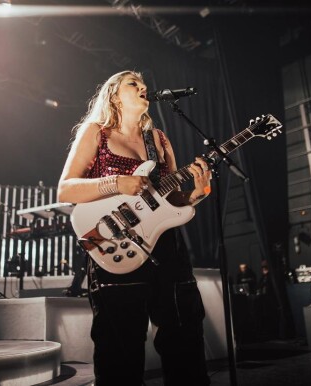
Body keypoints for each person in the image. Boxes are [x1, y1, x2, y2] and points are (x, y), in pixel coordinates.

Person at [57, 70, 211, 385]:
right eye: (133, 84)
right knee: (120, 342)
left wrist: (194, 195)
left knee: (185, 330)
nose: (143, 88)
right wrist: (117, 182)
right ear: (113, 95)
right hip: (117, 243)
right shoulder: (95, 133)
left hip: (167, 246)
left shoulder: (158, 139)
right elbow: (66, 190)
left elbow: (172, 200)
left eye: (143, 85)